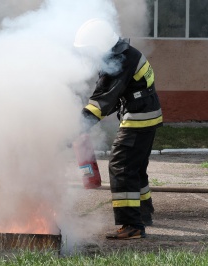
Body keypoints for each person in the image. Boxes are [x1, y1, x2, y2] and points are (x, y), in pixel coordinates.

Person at [73, 19, 163, 239]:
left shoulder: (120, 61)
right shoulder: (126, 54)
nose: (90, 56)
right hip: (147, 115)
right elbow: (111, 97)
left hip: (138, 118)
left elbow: (101, 102)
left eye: (90, 50)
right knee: (135, 167)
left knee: (121, 166)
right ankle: (143, 213)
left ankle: (131, 225)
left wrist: (73, 129)